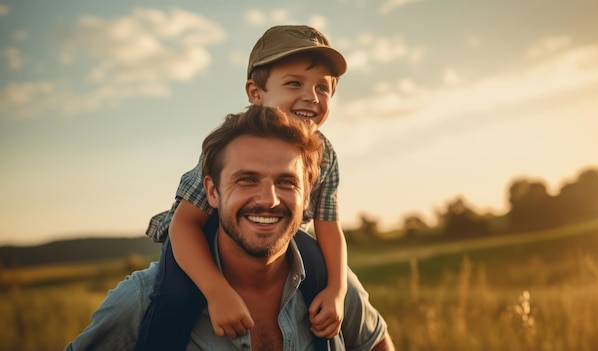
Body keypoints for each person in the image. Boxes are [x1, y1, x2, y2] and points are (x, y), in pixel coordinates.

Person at [65, 106, 395, 350]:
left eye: (286, 182)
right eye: (247, 179)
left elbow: (377, 343)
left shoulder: (332, 284)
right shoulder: (142, 299)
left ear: (308, 193)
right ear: (211, 192)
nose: (269, 200)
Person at [136, 25, 350, 350]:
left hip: (280, 234)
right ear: (255, 93)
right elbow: (185, 223)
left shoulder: (325, 153)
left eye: (323, 88)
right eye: (295, 83)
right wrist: (217, 291)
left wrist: (337, 290)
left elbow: (329, 227)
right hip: (205, 235)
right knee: (176, 295)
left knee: (320, 278)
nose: (312, 96)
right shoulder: (235, 144)